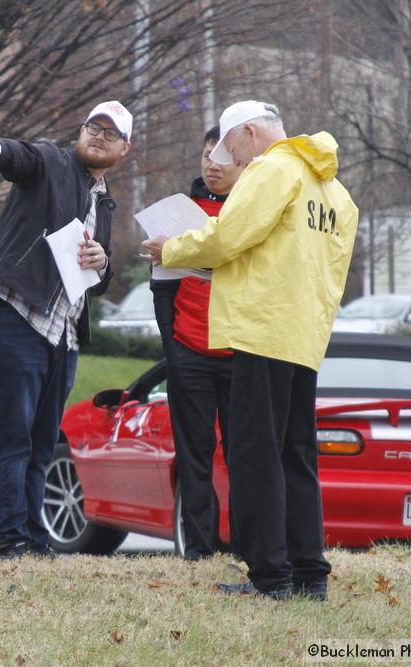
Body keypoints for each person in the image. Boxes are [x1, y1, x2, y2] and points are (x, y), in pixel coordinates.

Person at [141, 101, 359, 600]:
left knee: (255, 454)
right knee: (297, 455)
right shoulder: (334, 191)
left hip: (262, 329)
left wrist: (169, 249)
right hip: (303, 334)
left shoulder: (271, 170)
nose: (232, 160)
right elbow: (325, 269)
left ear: (250, 132)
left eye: (232, 147)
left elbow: (228, 236)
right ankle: (309, 575)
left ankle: (270, 577)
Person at [0, 101, 132, 560]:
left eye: (110, 133)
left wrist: (104, 264)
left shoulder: (104, 200)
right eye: (92, 127)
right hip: (15, 311)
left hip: (64, 332)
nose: (98, 136)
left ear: (124, 148)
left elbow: (96, 281)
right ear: (80, 132)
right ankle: (12, 540)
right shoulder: (55, 163)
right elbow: (23, 156)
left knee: (42, 441)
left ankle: (36, 542)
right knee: (13, 434)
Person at [150, 125, 243, 561]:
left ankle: (248, 546)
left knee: (246, 455)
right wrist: (174, 353)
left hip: (242, 353)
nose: (212, 164)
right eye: (207, 154)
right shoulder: (180, 212)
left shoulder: (253, 213)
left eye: (222, 156)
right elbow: (162, 290)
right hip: (189, 352)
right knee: (194, 456)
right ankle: (199, 548)